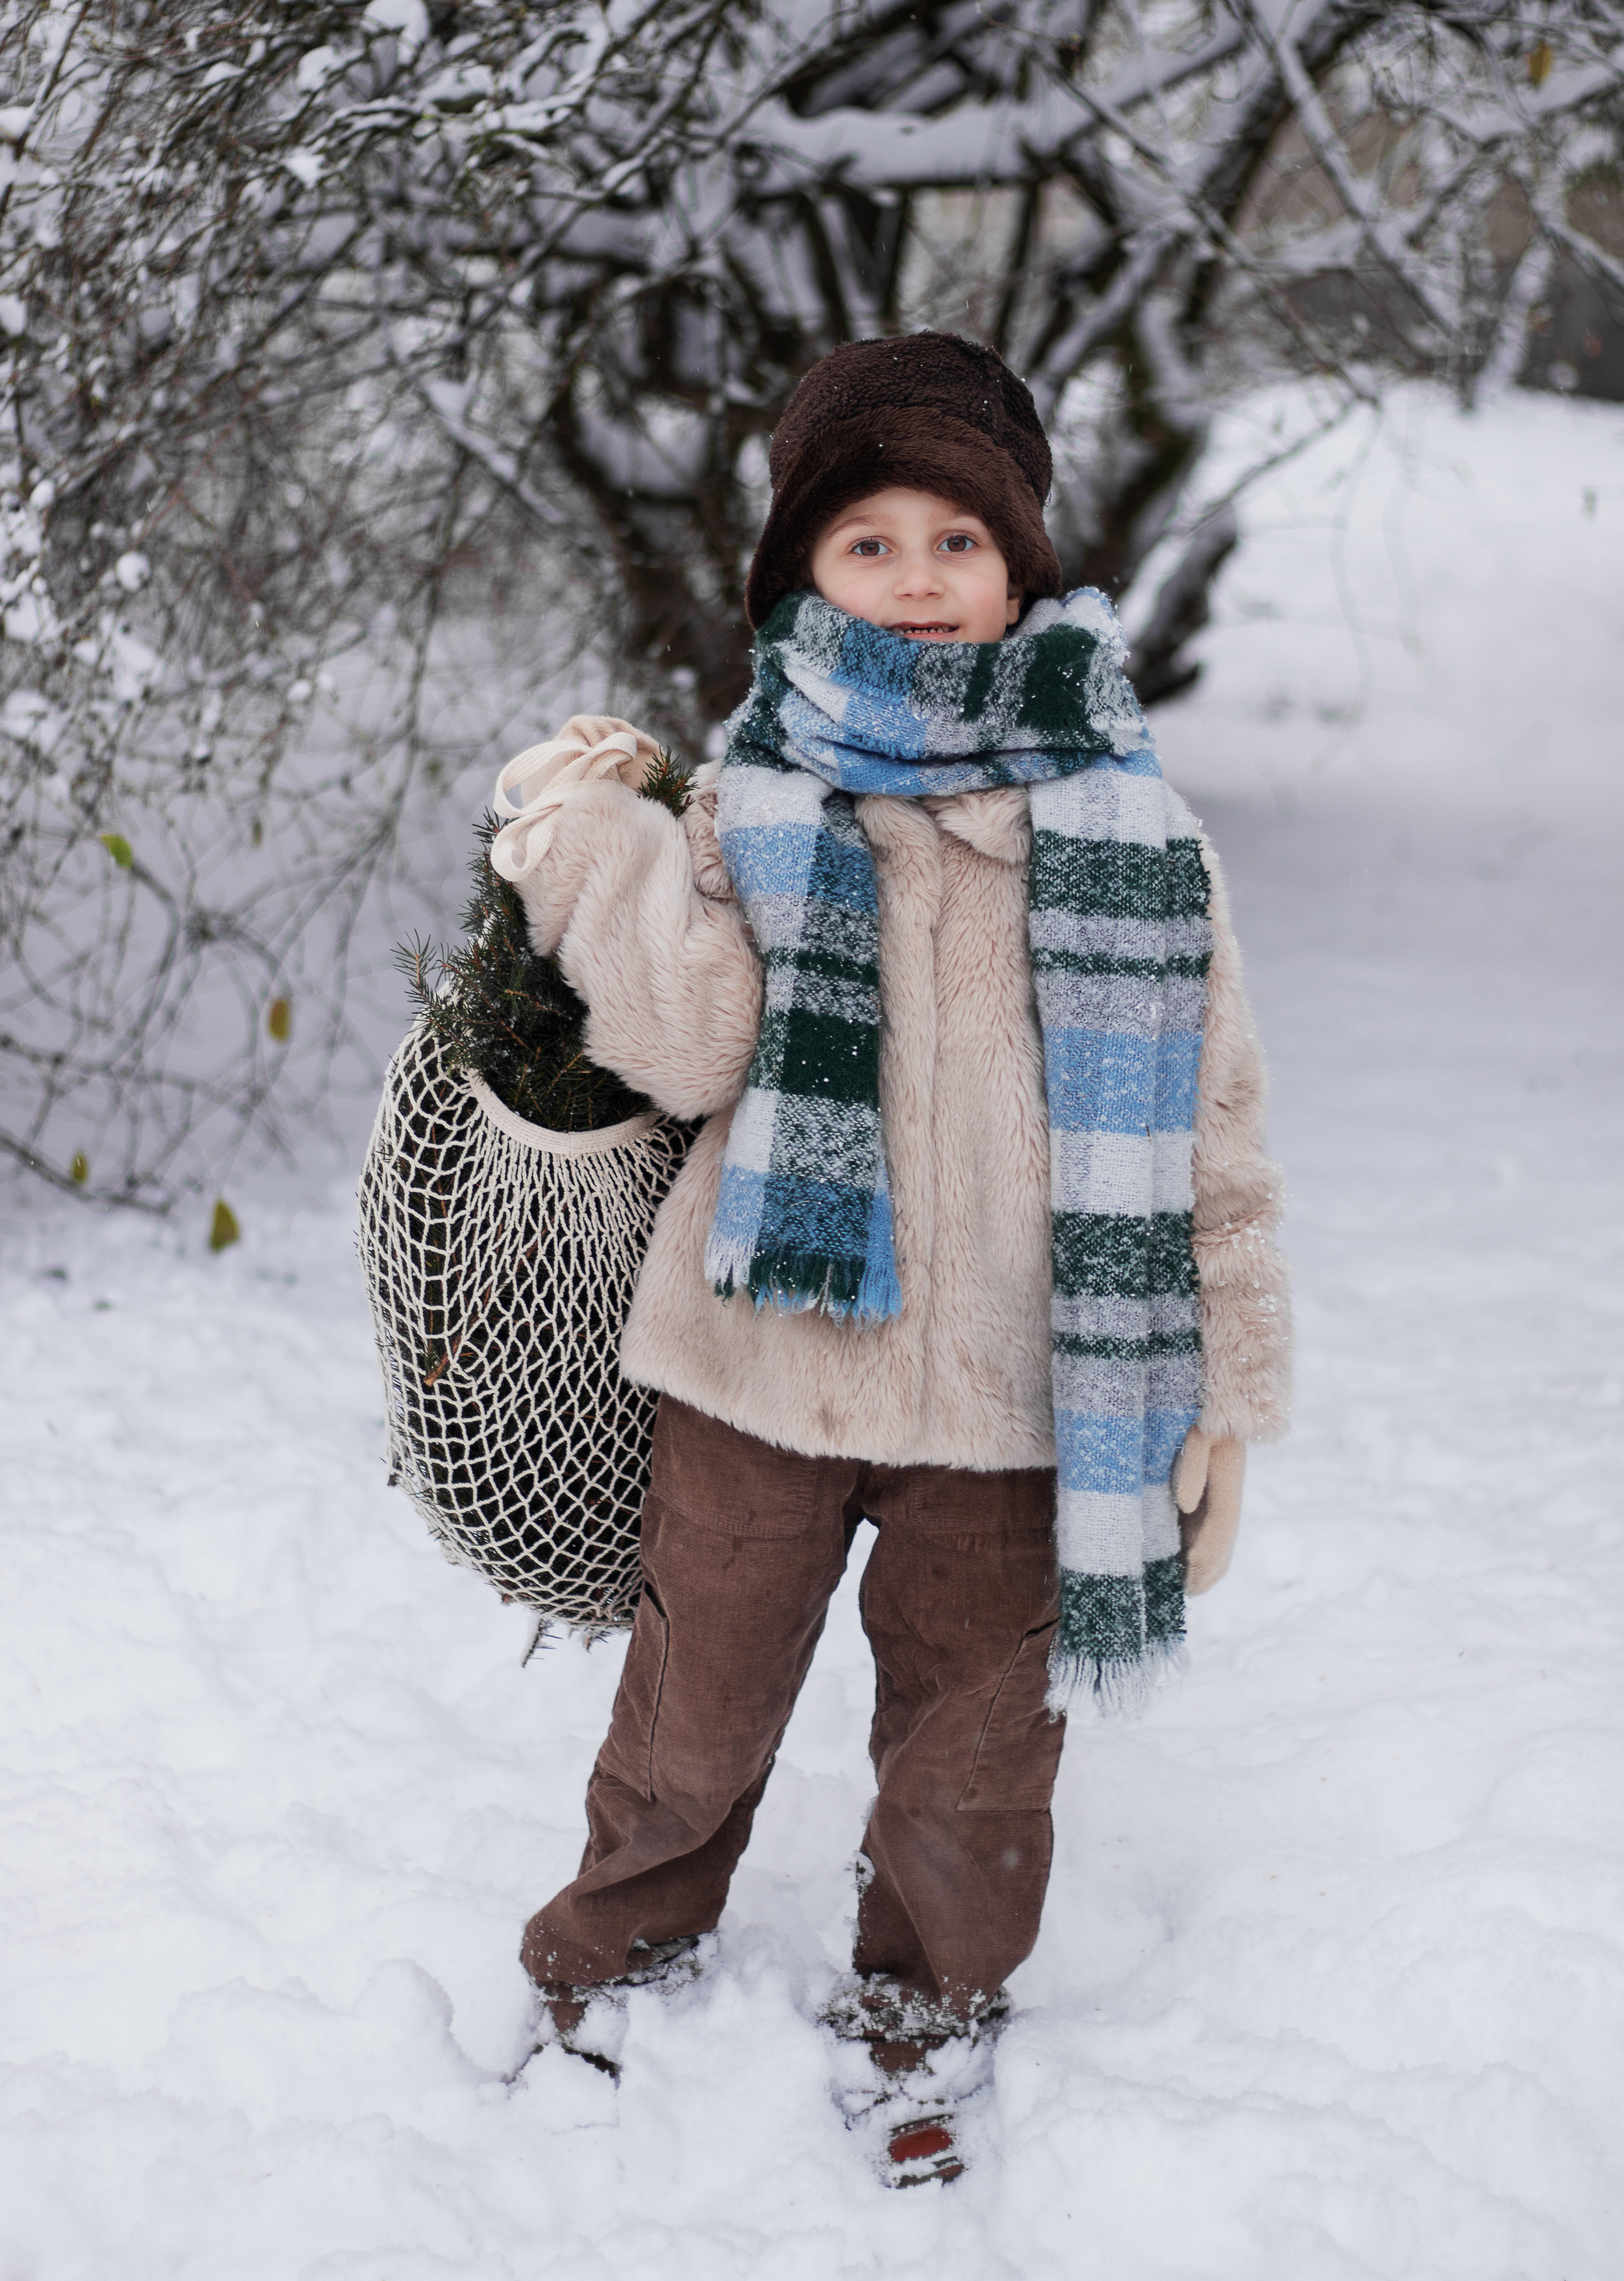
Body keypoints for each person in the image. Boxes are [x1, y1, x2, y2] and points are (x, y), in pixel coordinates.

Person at [488, 332, 1291, 2181]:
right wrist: (594, 848)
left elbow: (1212, 1131)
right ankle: (614, 1956)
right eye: (870, 545)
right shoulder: (756, 801)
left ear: (1022, 569)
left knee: (977, 1755)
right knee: (693, 1711)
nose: (919, 580)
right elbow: (687, 1046)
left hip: (1021, 1394)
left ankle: (928, 2012)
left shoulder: (1132, 836)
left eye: (958, 541)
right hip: (766, 1359)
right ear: (801, 574)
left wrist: (1225, 1395)